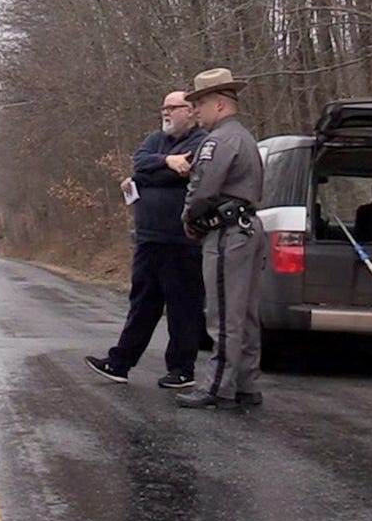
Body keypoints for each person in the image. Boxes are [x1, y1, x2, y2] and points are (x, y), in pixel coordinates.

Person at [86, 91, 208, 388]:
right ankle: (119, 363)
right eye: (163, 108)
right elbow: (139, 164)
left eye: (173, 108)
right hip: (148, 239)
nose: (166, 113)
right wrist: (167, 161)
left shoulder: (201, 141)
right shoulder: (155, 140)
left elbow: (184, 174)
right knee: (141, 303)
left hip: (181, 240)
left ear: (191, 111)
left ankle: (181, 369)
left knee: (183, 306)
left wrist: (152, 174)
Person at [174, 68, 267, 411]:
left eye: (199, 104)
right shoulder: (244, 137)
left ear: (219, 104)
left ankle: (218, 386)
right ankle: (245, 383)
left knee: (224, 311)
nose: (196, 111)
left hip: (228, 233)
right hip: (247, 228)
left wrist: (189, 218)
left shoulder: (218, 141)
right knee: (245, 312)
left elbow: (203, 188)